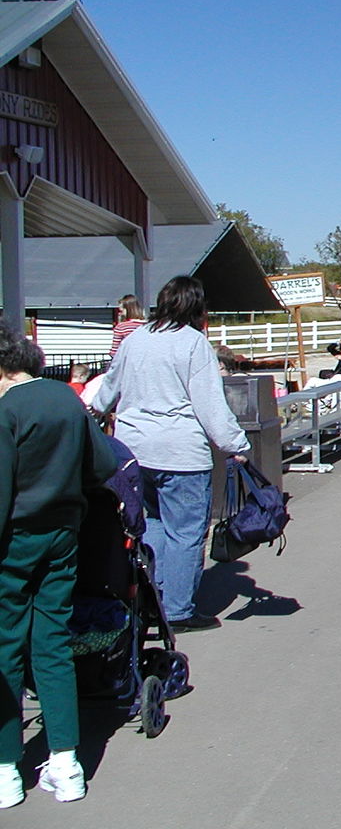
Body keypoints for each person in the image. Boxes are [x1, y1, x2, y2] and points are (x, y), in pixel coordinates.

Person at [92, 276, 249, 632]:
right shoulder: (194, 344)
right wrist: (236, 445)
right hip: (180, 452)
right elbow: (210, 406)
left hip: (134, 450)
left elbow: (108, 388)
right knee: (187, 532)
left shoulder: (135, 340)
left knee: (151, 525)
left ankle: (152, 599)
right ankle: (178, 610)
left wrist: (97, 410)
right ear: (197, 306)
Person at [0, 324, 116, 805]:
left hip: (15, 540)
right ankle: (66, 763)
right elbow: (103, 465)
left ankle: (6, 769)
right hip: (64, 533)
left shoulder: (6, 410)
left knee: (5, 648)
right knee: (52, 644)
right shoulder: (66, 400)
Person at [109, 294, 146, 358]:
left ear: (128, 310)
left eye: (121, 311)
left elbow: (114, 352)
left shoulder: (121, 327)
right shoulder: (149, 326)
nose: (120, 313)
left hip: (128, 362)